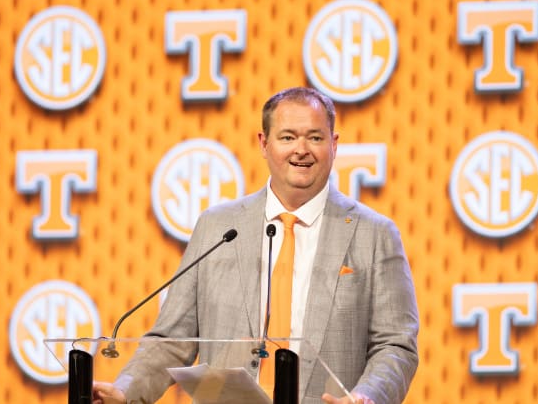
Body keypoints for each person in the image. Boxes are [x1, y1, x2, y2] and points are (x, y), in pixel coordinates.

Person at [93, 87, 419, 404]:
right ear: (264, 143)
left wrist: (364, 398)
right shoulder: (218, 227)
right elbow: (173, 338)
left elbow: (396, 345)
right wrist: (125, 391)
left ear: (334, 145)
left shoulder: (375, 234)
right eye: (288, 137)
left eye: (315, 138)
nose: (301, 149)